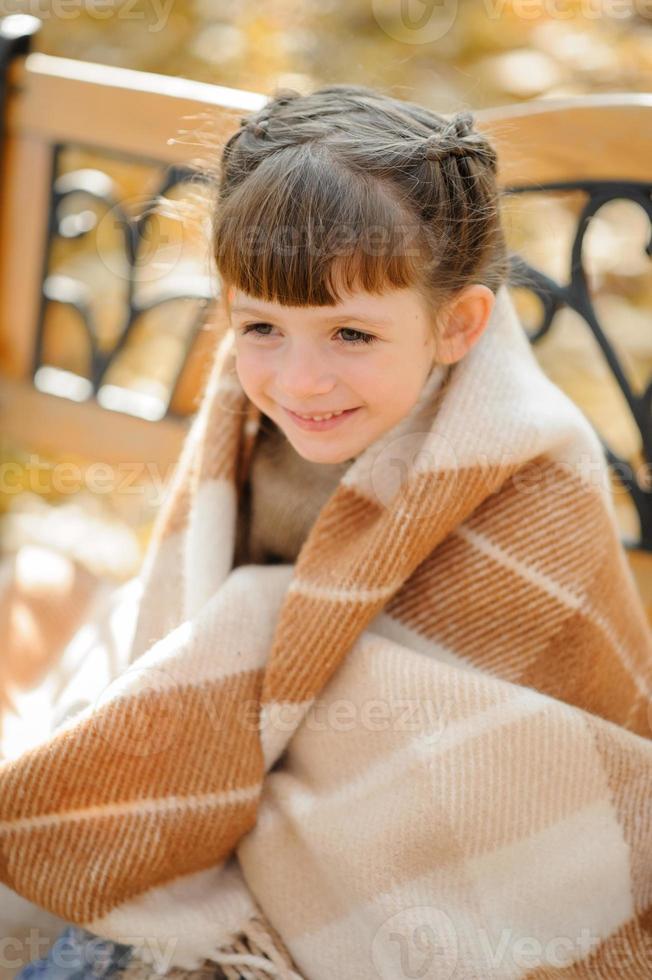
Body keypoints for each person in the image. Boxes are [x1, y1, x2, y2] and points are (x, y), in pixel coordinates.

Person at [11, 84, 650, 979]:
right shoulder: (249, 424)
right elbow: (192, 623)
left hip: (417, 864)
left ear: (458, 323)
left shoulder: (529, 479)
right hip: (237, 782)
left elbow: (502, 761)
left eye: (350, 332)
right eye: (262, 326)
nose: (300, 381)